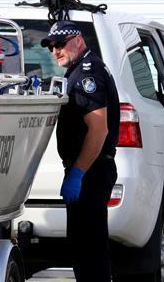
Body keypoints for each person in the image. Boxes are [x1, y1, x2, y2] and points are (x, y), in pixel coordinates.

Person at [40, 20, 119, 282]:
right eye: (51, 47)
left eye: (60, 44)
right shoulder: (80, 67)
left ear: (78, 40)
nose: (55, 51)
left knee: (90, 248)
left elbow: (98, 130)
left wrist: (78, 173)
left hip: (91, 171)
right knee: (84, 247)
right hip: (88, 169)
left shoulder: (87, 72)